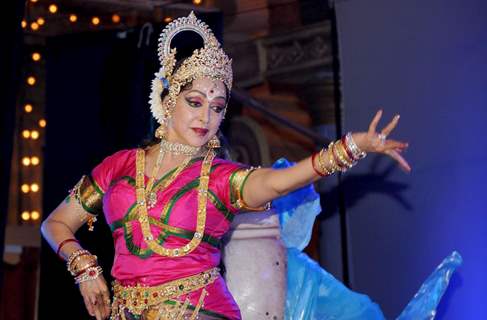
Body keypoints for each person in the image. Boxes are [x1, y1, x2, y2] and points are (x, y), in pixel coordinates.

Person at [40, 12, 410, 320]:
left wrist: (352, 147)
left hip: (200, 312)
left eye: (217, 108)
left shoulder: (221, 179)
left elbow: (281, 183)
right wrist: (84, 265)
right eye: (196, 102)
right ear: (168, 100)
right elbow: (55, 223)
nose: (207, 116)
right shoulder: (118, 166)